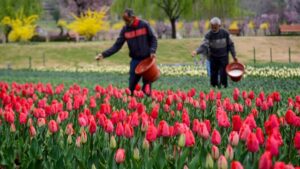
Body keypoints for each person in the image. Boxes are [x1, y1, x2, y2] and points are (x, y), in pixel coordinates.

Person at [95, 9, 158, 95]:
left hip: (147, 60)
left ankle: (146, 106)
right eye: (124, 20)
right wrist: (103, 54)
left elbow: (153, 39)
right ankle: (132, 104)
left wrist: (152, 51)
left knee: (146, 88)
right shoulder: (125, 30)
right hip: (135, 60)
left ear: (132, 17)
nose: (126, 22)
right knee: (131, 87)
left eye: (127, 20)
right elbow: (117, 46)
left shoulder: (144, 25)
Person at [191, 17, 238, 88]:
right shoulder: (208, 35)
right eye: (212, 27)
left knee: (223, 75)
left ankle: (224, 88)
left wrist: (234, 56)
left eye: (215, 27)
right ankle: (214, 90)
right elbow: (204, 46)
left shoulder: (225, 34)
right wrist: (196, 51)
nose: (213, 29)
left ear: (219, 26)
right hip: (213, 57)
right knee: (213, 76)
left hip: (223, 57)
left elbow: (231, 45)